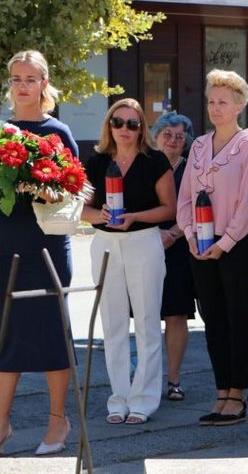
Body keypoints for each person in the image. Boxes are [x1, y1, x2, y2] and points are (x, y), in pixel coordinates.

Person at [0, 50, 78, 458]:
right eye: (17, 79)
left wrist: (42, 188)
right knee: (6, 333)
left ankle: (58, 421)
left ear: (44, 83)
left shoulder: (58, 132)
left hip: (44, 245)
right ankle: (0, 425)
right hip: (1, 243)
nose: (22, 86)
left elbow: (73, 189)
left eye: (30, 79)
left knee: (51, 332)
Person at [176, 69, 248, 426]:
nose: (215, 108)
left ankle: (238, 394)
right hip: (200, 244)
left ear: (239, 105)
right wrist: (190, 234)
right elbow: (184, 198)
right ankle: (221, 391)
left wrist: (224, 243)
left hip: (237, 245)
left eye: (223, 102)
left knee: (235, 317)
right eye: (211, 102)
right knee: (212, 318)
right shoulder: (198, 145)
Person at [82, 98, 175, 425]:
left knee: (147, 323)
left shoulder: (155, 161)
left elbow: (169, 208)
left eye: (132, 124)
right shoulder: (96, 162)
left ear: (141, 128)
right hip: (105, 244)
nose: (124, 129)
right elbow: (82, 209)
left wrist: (134, 216)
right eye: (117, 122)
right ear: (109, 126)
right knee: (113, 325)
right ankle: (118, 399)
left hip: (144, 242)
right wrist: (101, 215)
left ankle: (144, 400)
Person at [150, 112, 196, 401]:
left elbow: (197, 206)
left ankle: (174, 379)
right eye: (167, 134)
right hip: (145, 243)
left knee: (176, 314)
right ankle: (147, 380)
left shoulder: (191, 168)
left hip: (179, 248)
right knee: (145, 316)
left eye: (180, 136)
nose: (173, 140)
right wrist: (154, 233)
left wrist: (173, 233)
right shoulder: (145, 165)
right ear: (156, 137)